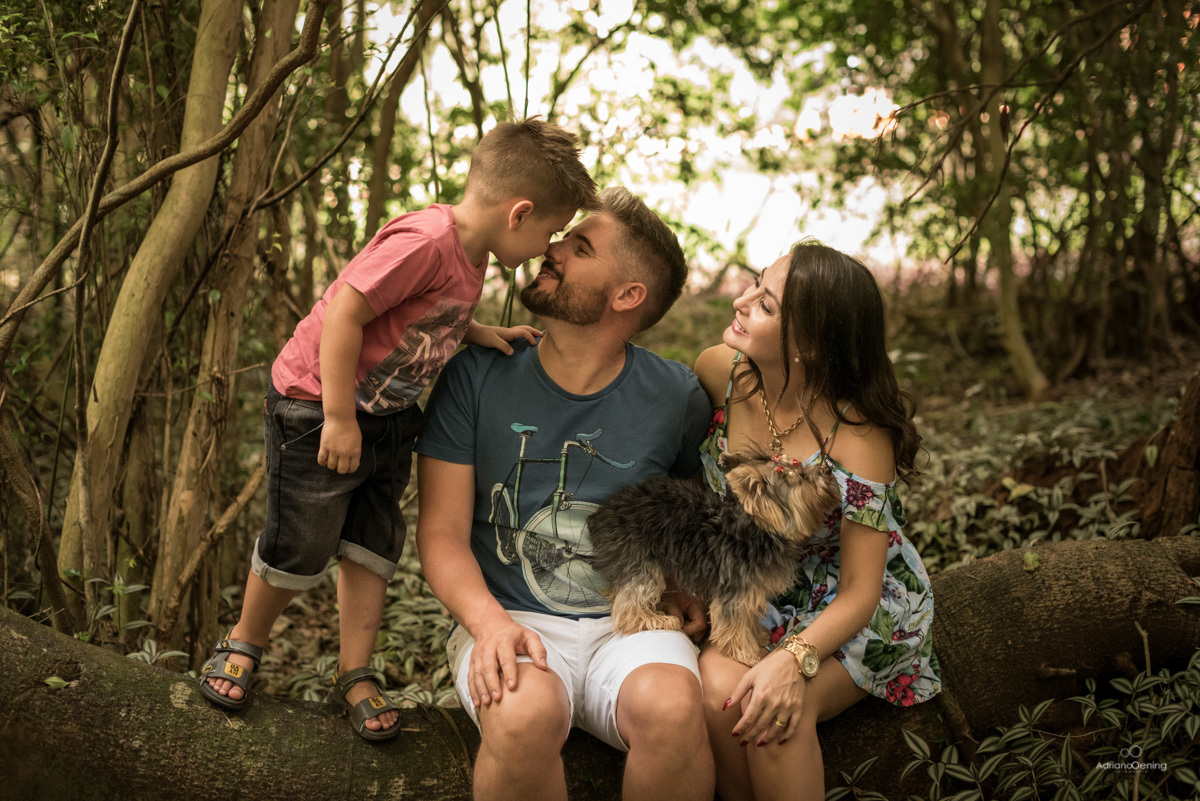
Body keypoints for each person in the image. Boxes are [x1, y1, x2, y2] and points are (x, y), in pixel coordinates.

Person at [198, 118, 598, 741]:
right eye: (550, 230)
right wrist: (336, 417)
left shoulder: (472, 255)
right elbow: (345, 314)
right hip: (318, 405)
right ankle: (244, 642)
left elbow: (425, 316)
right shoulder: (427, 239)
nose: (550, 245)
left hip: (387, 415)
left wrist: (481, 332)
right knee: (302, 538)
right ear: (518, 213)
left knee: (374, 542)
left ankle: (354, 671)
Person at [415, 187, 716, 801]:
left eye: (580, 249)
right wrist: (489, 626)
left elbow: (685, 506)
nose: (551, 249)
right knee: (524, 716)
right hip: (507, 615)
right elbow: (441, 535)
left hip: (629, 625)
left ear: (627, 296)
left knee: (676, 711)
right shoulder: (475, 375)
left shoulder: (675, 396)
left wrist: (684, 582)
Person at [692, 241, 941, 800]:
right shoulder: (720, 373)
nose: (741, 300)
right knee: (715, 693)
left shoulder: (859, 437)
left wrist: (793, 658)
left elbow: (860, 589)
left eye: (766, 305)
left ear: (808, 345)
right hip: (756, 592)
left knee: (778, 713)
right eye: (755, 283)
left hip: (849, 609)